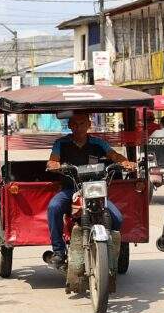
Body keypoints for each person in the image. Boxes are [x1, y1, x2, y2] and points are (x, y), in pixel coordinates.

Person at [46, 112, 137, 269]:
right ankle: (59, 252)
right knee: (54, 207)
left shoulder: (98, 143)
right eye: (75, 124)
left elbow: (114, 155)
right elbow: (53, 159)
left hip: (95, 190)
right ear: (69, 126)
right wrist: (54, 164)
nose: (79, 127)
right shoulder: (61, 143)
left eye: (82, 124)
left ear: (89, 125)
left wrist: (125, 162)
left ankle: (111, 248)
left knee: (118, 219)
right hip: (71, 189)